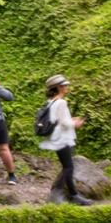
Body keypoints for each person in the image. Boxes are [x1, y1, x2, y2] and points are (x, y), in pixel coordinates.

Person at [41, 74, 92, 205]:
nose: (66, 87)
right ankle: (59, 193)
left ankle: (73, 195)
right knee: (68, 167)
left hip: (56, 137)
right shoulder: (61, 102)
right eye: (64, 85)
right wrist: (76, 123)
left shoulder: (51, 102)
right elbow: (64, 123)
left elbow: (56, 120)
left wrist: (71, 120)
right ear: (58, 87)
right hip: (62, 138)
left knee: (67, 166)